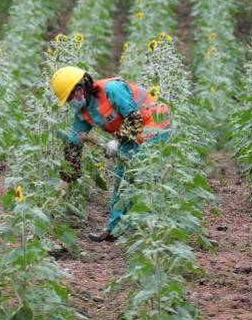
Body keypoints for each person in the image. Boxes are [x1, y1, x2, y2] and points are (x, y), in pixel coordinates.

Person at [50, 66, 171, 242]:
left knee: (140, 173)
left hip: (155, 123)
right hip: (132, 134)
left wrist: (117, 141)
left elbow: (134, 117)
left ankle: (152, 230)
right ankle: (116, 229)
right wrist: (65, 179)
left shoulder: (112, 90)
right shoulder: (83, 112)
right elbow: (74, 143)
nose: (71, 103)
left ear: (79, 89)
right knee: (122, 176)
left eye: (69, 98)